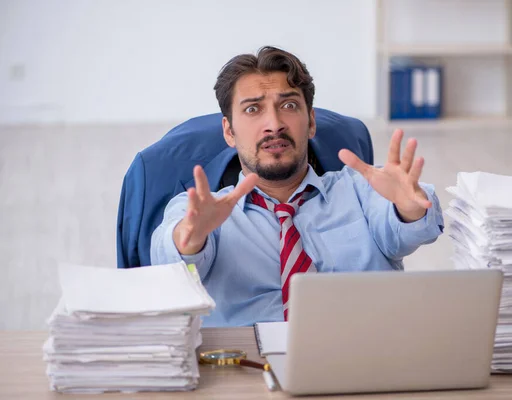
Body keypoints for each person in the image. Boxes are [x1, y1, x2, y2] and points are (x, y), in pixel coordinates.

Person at [151, 46, 444, 326]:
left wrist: (409, 209)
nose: (274, 124)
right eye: (253, 109)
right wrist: (191, 238)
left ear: (311, 122)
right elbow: (170, 264)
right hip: (247, 366)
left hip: (367, 358)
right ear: (229, 131)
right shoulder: (203, 210)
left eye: (288, 105)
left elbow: (410, 228)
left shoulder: (362, 192)